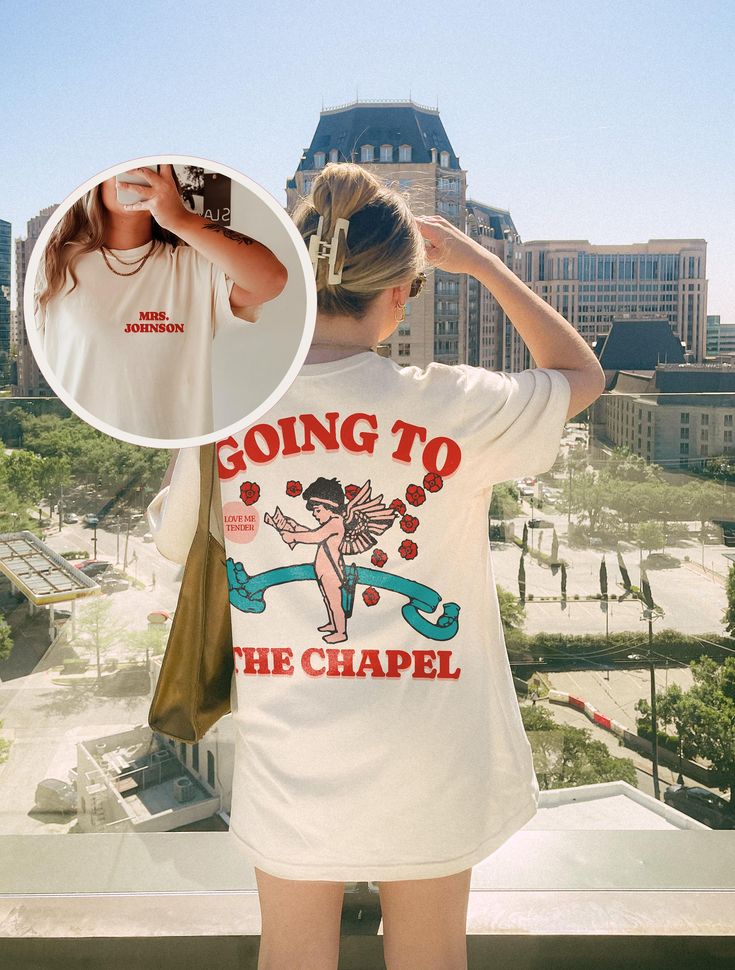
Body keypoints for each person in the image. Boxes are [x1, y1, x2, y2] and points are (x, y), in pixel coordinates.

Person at [149, 162, 605, 969]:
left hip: (289, 744)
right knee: (430, 954)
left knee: (291, 952)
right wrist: (486, 264)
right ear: (400, 293)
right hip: (429, 748)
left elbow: (177, 542)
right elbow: (581, 376)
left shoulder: (224, 406)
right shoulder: (455, 403)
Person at [36, 164, 287, 440]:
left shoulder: (195, 267)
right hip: (80, 451)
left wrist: (180, 219)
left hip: (177, 465)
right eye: (123, 166)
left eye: (150, 165)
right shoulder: (55, 265)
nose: (137, 173)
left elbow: (271, 279)